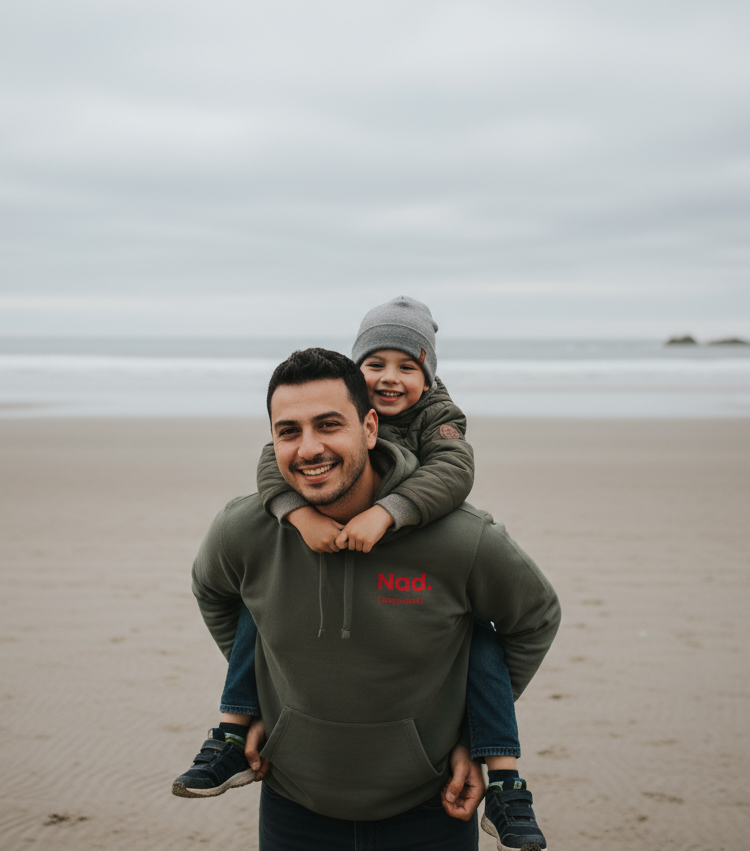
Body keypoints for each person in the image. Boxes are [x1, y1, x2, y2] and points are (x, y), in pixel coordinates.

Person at [182, 346, 560, 849]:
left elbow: (534, 619)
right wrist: (268, 693)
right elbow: (213, 591)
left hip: (430, 806)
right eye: (288, 431)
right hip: (291, 800)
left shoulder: (464, 540)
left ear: (370, 428)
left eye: (329, 424)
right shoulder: (246, 529)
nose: (309, 448)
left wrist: (474, 732)